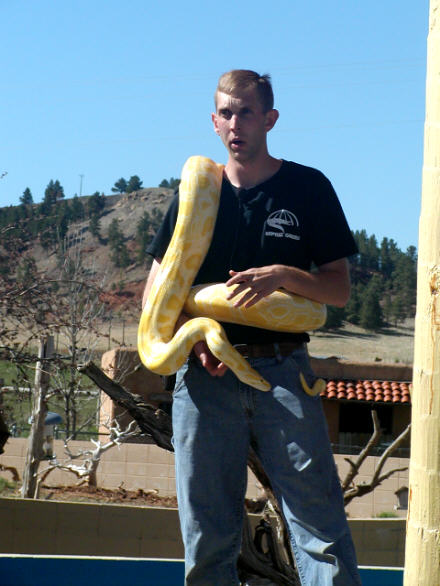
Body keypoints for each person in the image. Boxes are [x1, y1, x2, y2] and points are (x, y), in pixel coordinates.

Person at [143, 70, 362, 586]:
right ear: (213, 122)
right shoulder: (196, 192)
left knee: (320, 531)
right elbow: (158, 296)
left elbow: (338, 291)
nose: (234, 122)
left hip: (284, 372)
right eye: (225, 112)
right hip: (204, 381)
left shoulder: (307, 187)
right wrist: (195, 337)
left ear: (270, 118)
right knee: (206, 536)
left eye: (245, 111)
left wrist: (284, 276)